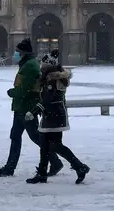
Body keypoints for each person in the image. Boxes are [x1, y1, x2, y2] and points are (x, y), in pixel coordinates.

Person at [0, 39, 63, 177]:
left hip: (26, 107)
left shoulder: (30, 66)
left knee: (36, 137)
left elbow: (25, 89)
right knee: (16, 136)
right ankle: (9, 167)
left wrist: (12, 92)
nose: (15, 54)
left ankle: (55, 161)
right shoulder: (26, 64)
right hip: (21, 107)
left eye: (17, 52)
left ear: (24, 53)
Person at [24, 50, 90, 185]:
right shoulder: (53, 78)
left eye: (43, 66)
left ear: (48, 66)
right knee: (45, 145)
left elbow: (48, 99)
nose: (41, 68)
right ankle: (42, 174)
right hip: (53, 115)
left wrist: (34, 111)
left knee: (55, 146)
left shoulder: (52, 80)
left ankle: (79, 166)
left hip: (54, 116)